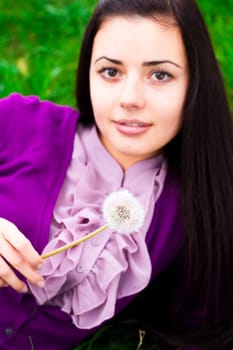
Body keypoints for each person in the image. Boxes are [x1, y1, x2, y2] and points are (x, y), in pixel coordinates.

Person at [0, 0, 232, 349]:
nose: (130, 98)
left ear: (194, 84)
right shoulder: (21, 122)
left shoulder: (196, 211)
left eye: (160, 75)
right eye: (111, 71)